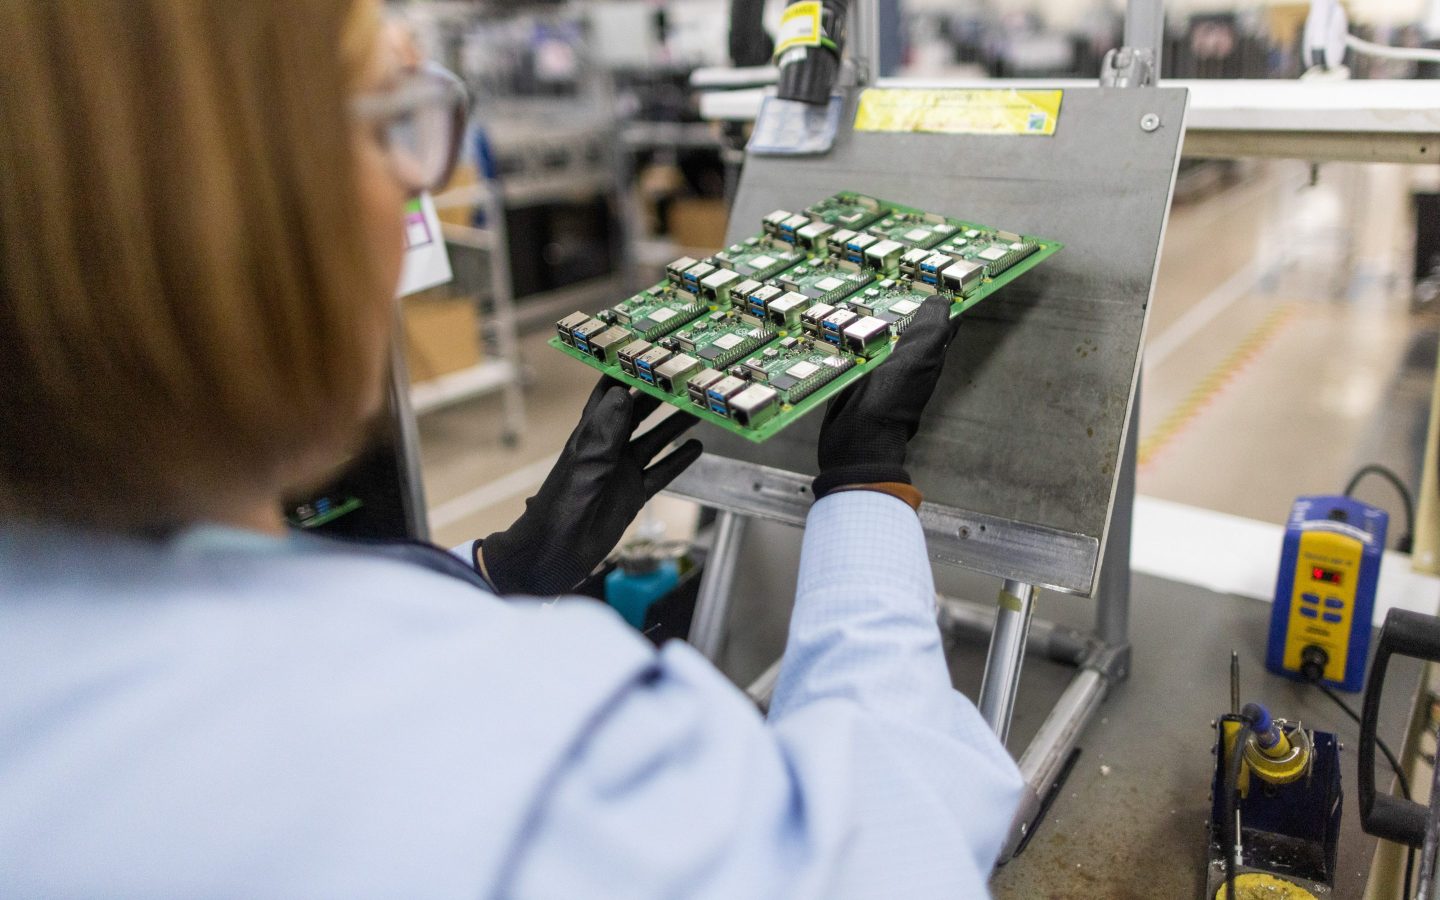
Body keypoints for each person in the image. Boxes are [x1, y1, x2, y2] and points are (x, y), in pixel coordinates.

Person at [0, 1, 1021, 897]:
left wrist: (497, 569)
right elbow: (898, 849)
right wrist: (864, 484)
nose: (420, 186)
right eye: (393, 123)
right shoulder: (538, 745)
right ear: (262, 220)